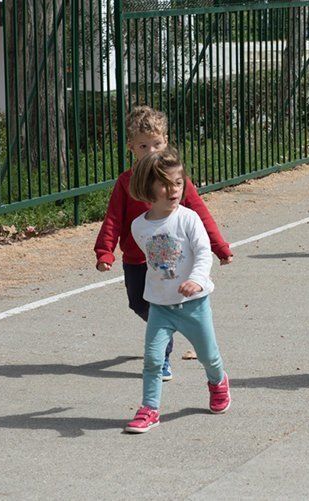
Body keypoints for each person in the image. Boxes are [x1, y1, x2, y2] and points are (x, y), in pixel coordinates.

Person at [94, 106, 233, 380]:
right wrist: (105, 252)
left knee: (165, 307)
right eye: (144, 145)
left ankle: (163, 352)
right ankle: (165, 329)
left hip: (172, 261)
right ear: (132, 147)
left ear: (165, 142)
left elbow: (200, 212)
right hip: (136, 259)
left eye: (157, 144)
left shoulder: (176, 181)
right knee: (137, 303)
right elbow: (113, 218)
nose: (151, 151)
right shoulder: (126, 182)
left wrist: (220, 247)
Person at [124, 147, 230, 433]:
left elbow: (203, 253)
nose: (173, 189)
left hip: (194, 303)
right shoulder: (139, 227)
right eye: (165, 183)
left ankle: (218, 381)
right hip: (160, 305)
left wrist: (196, 279)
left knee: (208, 355)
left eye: (178, 182)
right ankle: (150, 408)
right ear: (148, 187)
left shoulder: (188, 218)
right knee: (153, 359)